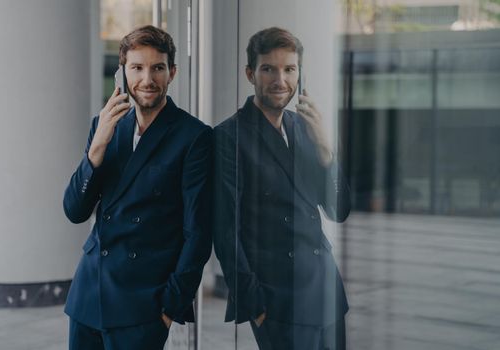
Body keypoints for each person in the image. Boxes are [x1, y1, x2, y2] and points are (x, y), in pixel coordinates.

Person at [63, 25, 212, 350]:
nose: (147, 79)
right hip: (89, 295)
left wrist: (169, 308)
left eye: (157, 67)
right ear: (122, 72)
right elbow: (75, 211)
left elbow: (198, 233)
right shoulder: (104, 126)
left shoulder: (194, 136)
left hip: (143, 305)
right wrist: (96, 149)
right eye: (137, 67)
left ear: (172, 72)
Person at [213, 27, 350, 350]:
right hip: (277, 300)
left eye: (289, 69)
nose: (281, 80)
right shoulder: (229, 136)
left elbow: (338, 211)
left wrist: (327, 154)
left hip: (326, 292)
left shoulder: (307, 128)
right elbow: (225, 230)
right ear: (250, 73)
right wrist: (254, 304)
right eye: (269, 69)